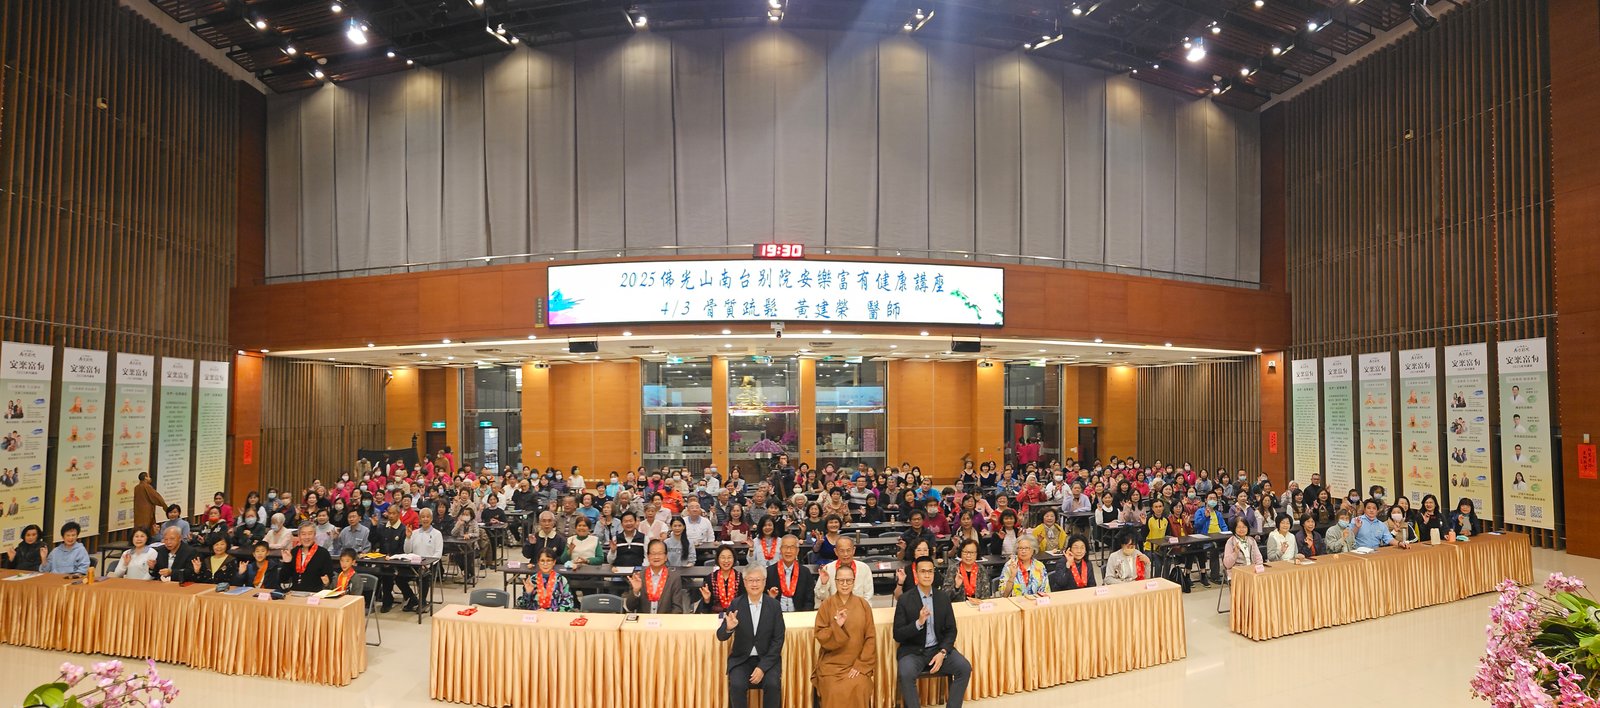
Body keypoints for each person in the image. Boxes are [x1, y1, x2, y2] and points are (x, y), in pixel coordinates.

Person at [892, 557, 972, 708]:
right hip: (913, 651)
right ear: (916, 574)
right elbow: (898, 634)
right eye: (923, 572)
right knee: (906, 674)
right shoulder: (905, 600)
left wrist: (943, 652)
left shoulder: (942, 598)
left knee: (964, 668)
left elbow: (951, 630)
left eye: (930, 571)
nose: (927, 575)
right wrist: (918, 623)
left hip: (938, 649)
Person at [718, 565, 785, 708]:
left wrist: (762, 668)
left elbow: (778, 640)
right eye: (751, 580)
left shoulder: (774, 606)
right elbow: (721, 636)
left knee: (772, 685)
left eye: (758, 580)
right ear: (744, 582)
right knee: (736, 685)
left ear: (764, 582)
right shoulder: (736, 604)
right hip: (741, 659)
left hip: (767, 658)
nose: (754, 584)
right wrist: (729, 628)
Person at [813, 563, 876, 708]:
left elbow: (870, 638)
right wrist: (837, 625)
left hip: (857, 662)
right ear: (835, 582)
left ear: (854, 581)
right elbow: (821, 635)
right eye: (841, 580)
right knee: (833, 689)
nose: (845, 584)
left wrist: (861, 665)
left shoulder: (863, 605)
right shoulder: (826, 605)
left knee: (860, 685)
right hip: (832, 664)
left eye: (849, 580)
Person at [625, 540, 691, 614]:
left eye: (660, 553)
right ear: (648, 557)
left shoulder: (674, 578)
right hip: (644, 619)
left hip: (665, 620)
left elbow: (677, 608)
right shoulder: (639, 576)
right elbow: (630, 607)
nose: (656, 557)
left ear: (666, 557)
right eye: (653, 553)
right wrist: (636, 591)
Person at [400, 508, 444, 612]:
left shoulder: (437, 534)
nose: (425, 519)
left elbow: (438, 553)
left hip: (430, 565)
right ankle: (412, 598)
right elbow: (407, 551)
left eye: (427, 517)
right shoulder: (414, 533)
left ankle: (422, 601)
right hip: (414, 564)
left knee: (424, 576)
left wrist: (427, 565)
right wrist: (408, 538)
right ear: (419, 519)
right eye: (423, 517)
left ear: (431, 519)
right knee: (399, 577)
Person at [765, 535, 815, 612]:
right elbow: (764, 599)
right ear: (780, 550)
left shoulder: (805, 572)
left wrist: (803, 615)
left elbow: (809, 601)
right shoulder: (769, 572)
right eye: (785, 547)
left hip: (799, 614)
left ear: (797, 551)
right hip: (776, 614)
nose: (788, 551)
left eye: (792, 547)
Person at [814, 536, 872, 603]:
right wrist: (824, 584)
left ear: (854, 550)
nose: (845, 554)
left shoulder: (864, 568)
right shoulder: (828, 569)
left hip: (858, 607)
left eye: (848, 550)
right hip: (834, 607)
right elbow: (820, 596)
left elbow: (868, 595)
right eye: (841, 551)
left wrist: (861, 608)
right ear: (836, 551)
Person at [285, 522, 334, 591]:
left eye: (310, 534)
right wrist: (286, 563)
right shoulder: (293, 552)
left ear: (314, 535)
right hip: (294, 593)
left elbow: (329, 579)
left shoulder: (323, 553)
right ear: (299, 536)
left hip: (315, 594)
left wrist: (327, 583)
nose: (307, 537)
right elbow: (284, 579)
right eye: (303, 534)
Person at [701, 545, 744, 614]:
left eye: (729, 557)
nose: (726, 561)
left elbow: (743, 601)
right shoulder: (710, 578)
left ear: (734, 559)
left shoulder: (741, 577)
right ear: (717, 559)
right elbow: (706, 607)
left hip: (736, 614)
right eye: (723, 557)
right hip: (715, 614)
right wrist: (707, 600)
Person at [133, 471, 167, 536]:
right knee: (146, 531)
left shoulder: (136, 487)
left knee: (138, 530)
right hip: (146, 513)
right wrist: (165, 507)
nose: (150, 478)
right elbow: (156, 497)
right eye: (148, 476)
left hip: (138, 514)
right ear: (145, 478)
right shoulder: (147, 486)